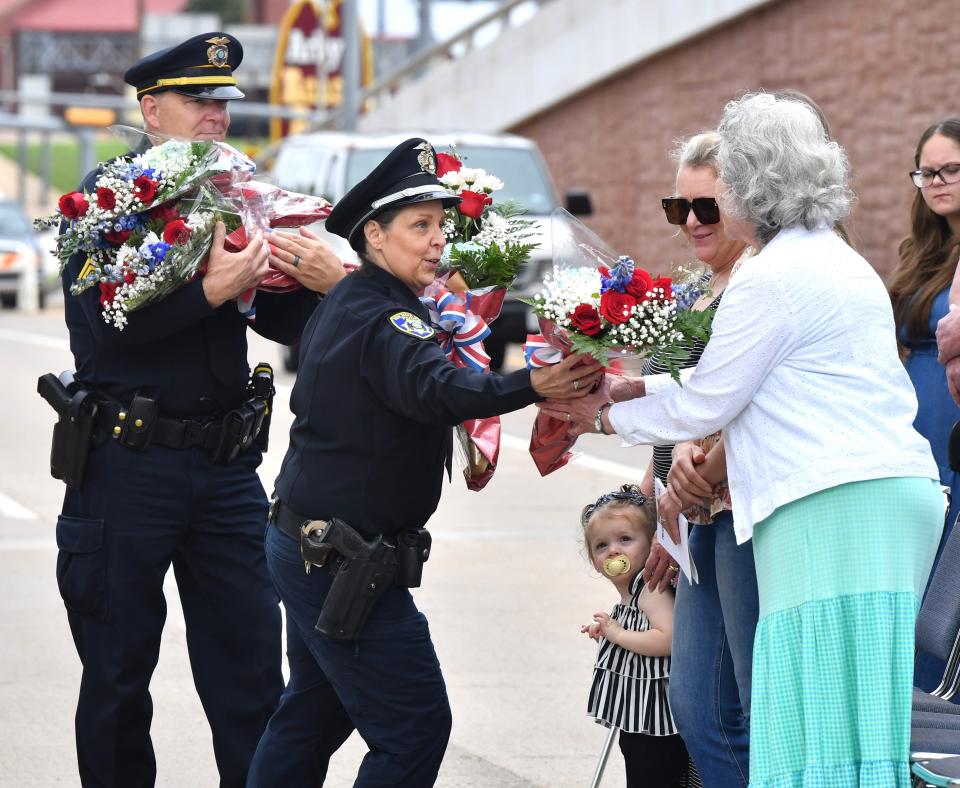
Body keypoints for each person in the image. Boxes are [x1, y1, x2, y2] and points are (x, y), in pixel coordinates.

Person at [543, 92, 942, 786]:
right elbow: (726, 382)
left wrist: (600, 416)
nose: (715, 205)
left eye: (722, 187)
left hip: (828, 502)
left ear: (753, 183)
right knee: (857, 720)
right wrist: (629, 392)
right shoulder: (833, 260)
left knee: (806, 716)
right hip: (882, 494)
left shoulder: (772, 276)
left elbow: (708, 398)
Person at [245, 137, 602, 788]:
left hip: (307, 545)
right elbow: (439, 390)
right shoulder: (385, 317)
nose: (438, 240)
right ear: (374, 236)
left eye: (441, 225)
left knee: (312, 716)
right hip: (340, 559)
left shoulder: (357, 302)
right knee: (413, 728)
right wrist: (533, 384)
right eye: (420, 226)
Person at [51, 33, 344, 788]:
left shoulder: (240, 195)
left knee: (250, 677)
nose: (216, 116)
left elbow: (279, 325)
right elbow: (104, 330)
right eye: (198, 101)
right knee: (117, 679)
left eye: (222, 103)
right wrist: (208, 289)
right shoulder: (106, 200)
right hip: (125, 465)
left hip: (225, 471)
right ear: (151, 110)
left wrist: (319, 282)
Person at [640, 131, 758, 787]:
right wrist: (653, 506)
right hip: (685, 523)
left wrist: (677, 503)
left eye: (706, 207)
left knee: (737, 700)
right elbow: (667, 409)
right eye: (676, 207)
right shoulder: (691, 292)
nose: (690, 222)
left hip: (734, 515)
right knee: (698, 703)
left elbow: (732, 406)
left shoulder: (755, 287)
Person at [889, 118, 960, 693]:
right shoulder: (921, 253)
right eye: (926, 172)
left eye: (950, 170)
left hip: (954, 428)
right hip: (912, 438)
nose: (936, 182)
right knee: (915, 577)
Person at [580, 485, 689, 788]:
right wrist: (608, 632)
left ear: (652, 543)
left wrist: (618, 633)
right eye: (601, 546)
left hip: (658, 723)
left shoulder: (650, 588)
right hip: (640, 717)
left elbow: (667, 638)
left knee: (650, 775)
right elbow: (634, 634)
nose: (613, 550)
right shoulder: (631, 593)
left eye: (625, 539)